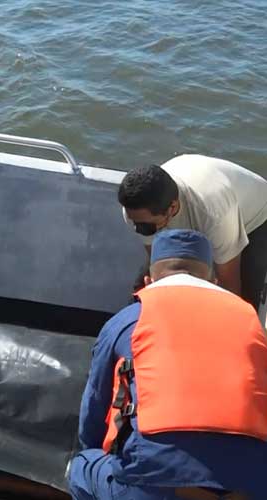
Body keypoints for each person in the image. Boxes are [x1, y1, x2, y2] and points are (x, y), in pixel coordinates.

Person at [68, 229, 267, 500]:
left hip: (154, 484)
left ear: (149, 281)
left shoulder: (127, 320)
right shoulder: (251, 322)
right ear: (214, 280)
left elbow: (93, 412)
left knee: (82, 465)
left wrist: (100, 452)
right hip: (250, 484)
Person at [118, 154, 267, 308]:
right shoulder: (135, 211)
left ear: (173, 207)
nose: (136, 228)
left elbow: (229, 283)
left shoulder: (214, 214)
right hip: (195, 199)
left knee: (246, 299)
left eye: (144, 227)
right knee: (142, 289)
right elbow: (156, 260)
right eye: (134, 223)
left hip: (256, 217)